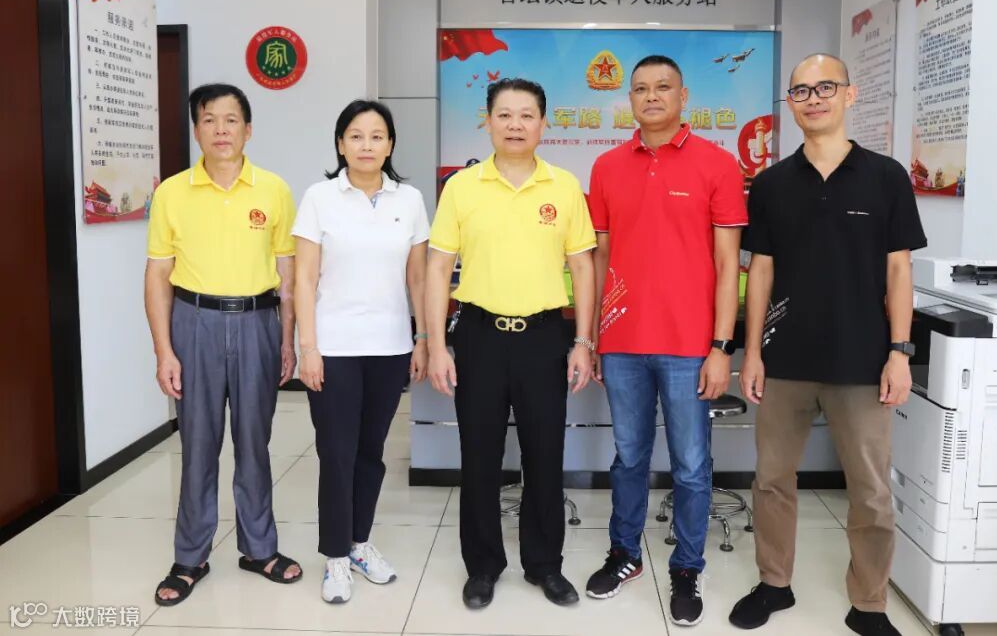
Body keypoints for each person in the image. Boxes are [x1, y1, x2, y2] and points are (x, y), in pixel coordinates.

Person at [728, 54, 926, 636]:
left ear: (849, 94)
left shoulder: (885, 176)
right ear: (790, 102)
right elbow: (761, 271)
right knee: (772, 480)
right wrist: (753, 352)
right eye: (801, 91)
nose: (813, 99)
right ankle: (774, 583)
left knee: (870, 490)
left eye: (825, 88)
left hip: (862, 360)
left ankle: (869, 603)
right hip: (785, 358)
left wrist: (899, 351)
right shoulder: (771, 184)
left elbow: (899, 270)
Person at [584, 55, 747, 627]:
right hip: (623, 341)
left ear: (683, 96)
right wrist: (595, 337)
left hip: (689, 346)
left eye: (662, 87)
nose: (651, 96)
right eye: (640, 89)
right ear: (629, 99)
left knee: (691, 465)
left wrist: (721, 347)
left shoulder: (718, 164)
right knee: (628, 457)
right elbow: (600, 257)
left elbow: (728, 266)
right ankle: (624, 554)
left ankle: (687, 567)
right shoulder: (606, 166)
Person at [425, 77, 596, 610]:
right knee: (479, 456)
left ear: (543, 123)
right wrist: (436, 346)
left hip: (544, 338)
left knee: (545, 455)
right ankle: (482, 566)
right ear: (488, 121)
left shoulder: (563, 186)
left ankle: (545, 564)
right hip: (479, 336)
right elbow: (438, 268)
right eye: (504, 115)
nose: (515, 125)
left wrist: (583, 340)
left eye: (526, 116)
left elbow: (582, 267)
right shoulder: (462, 187)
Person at [147, 83, 302, 606]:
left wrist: (287, 339)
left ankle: (259, 549)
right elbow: (157, 275)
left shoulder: (274, 190)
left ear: (248, 130)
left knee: (254, 441)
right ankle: (190, 557)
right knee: (198, 444)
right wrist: (164, 350)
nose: (220, 130)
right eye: (209, 120)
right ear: (196, 130)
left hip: (258, 321)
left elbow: (287, 272)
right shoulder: (172, 193)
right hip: (195, 322)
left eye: (231, 120)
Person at [292, 100, 430, 604]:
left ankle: (358, 543)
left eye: (376, 136)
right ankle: (334, 555)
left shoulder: (409, 199)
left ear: (390, 144)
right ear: (340, 144)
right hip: (333, 348)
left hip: (389, 347)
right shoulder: (320, 197)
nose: (366, 145)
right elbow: (304, 278)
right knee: (336, 453)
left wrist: (421, 338)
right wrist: (308, 347)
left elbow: (418, 279)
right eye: (355, 135)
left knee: (371, 453)